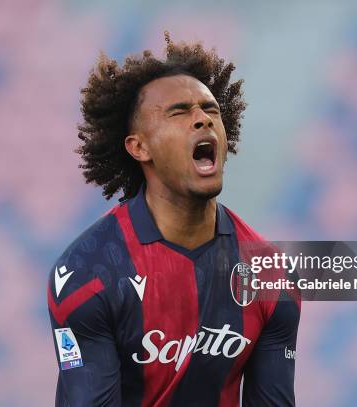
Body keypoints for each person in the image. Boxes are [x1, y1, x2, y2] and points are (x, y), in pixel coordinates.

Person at [47, 33, 301, 406]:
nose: (202, 120)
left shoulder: (270, 274)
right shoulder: (88, 273)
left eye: (211, 110)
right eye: (180, 112)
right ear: (139, 147)